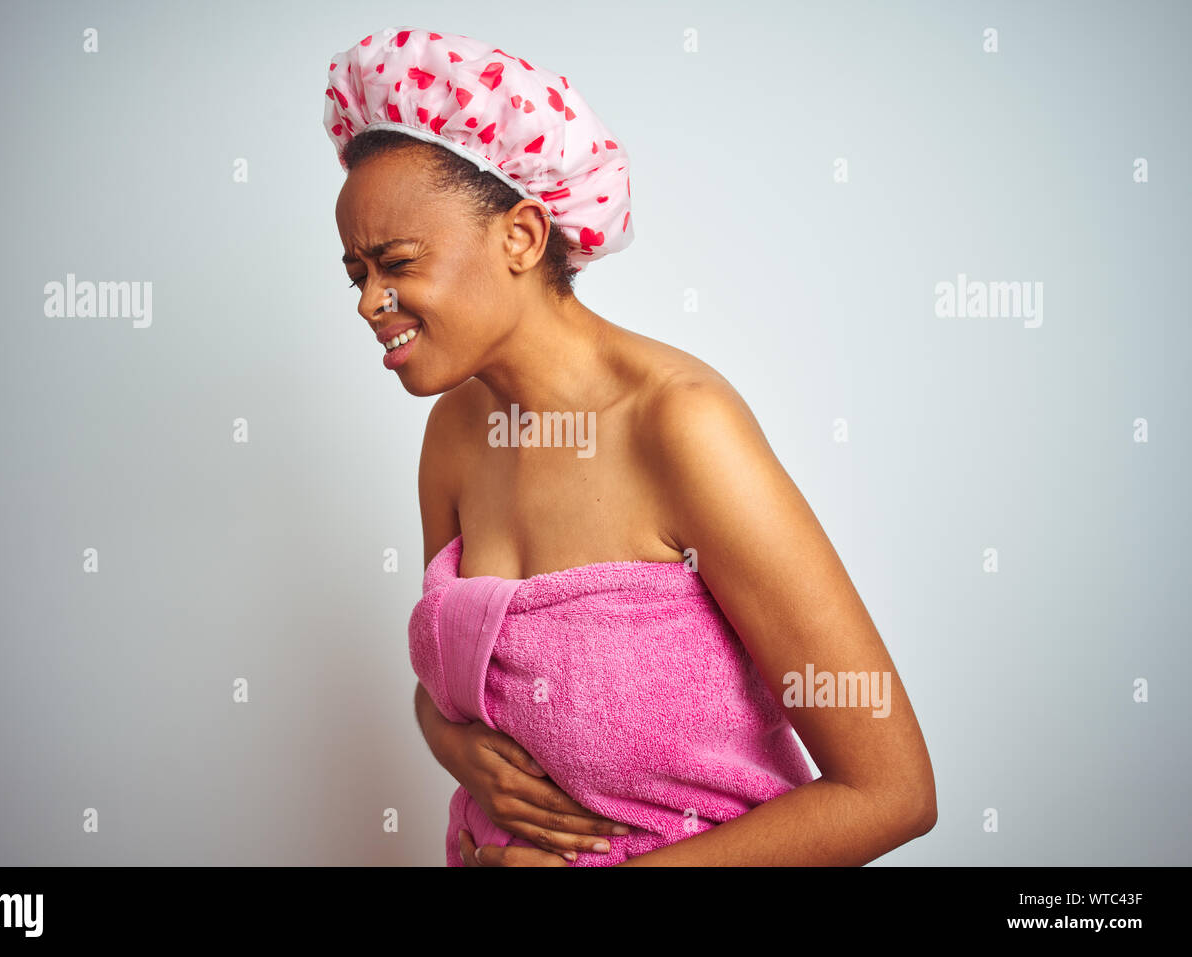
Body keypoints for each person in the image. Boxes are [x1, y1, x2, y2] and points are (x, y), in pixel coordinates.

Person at [327, 26, 937, 866]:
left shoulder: (679, 427)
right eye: (356, 272)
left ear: (523, 236)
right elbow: (458, 686)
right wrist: (451, 744)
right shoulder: (457, 433)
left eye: (394, 261)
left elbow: (892, 794)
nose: (369, 302)